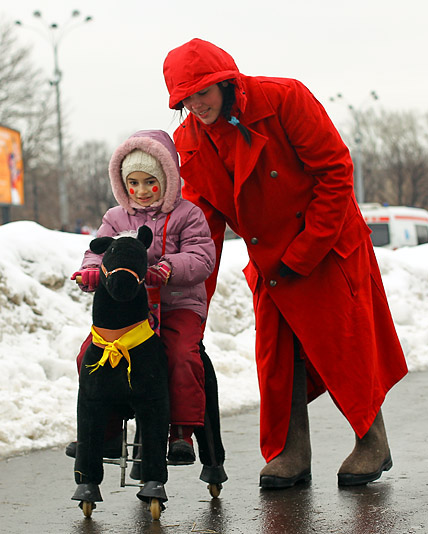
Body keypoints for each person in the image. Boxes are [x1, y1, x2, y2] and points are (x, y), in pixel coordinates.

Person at [162, 38, 408, 488]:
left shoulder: (285, 98)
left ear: (227, 83)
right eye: (186, 98)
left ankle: (372, 442)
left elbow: (336, 172)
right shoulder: (189, 143)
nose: (197, 105)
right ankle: (290, 452)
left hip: (327, 244)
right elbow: (202, 229)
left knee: (342, 347)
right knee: (279, 359)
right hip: (271, 260)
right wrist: (188, 299)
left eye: (204, 92)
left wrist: (307, 250)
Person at [70, 129, 216, 464]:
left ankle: (180, 433)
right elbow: (98, 251)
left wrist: (169, 267)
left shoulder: (188, 215)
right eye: (132, 183)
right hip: (130, 309)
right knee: (89, 357)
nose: (141, 191)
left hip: (177, 303)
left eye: (150, 182)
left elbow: (201, 257)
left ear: (167, 178)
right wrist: (92, 271)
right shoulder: (115, 218)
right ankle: (104, 430)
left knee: (179, 355)